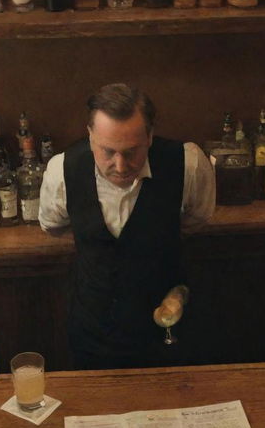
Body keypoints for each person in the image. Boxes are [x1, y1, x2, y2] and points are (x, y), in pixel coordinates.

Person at [39, 83, 215, 370]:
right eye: (107, 151)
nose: (120, 166)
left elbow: (196, 218)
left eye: (132, 152)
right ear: (90, 135)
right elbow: (54, 225)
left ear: (150, 136)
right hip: (92, 329)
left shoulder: (189, 164)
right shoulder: (62, 170)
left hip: (168, 328)